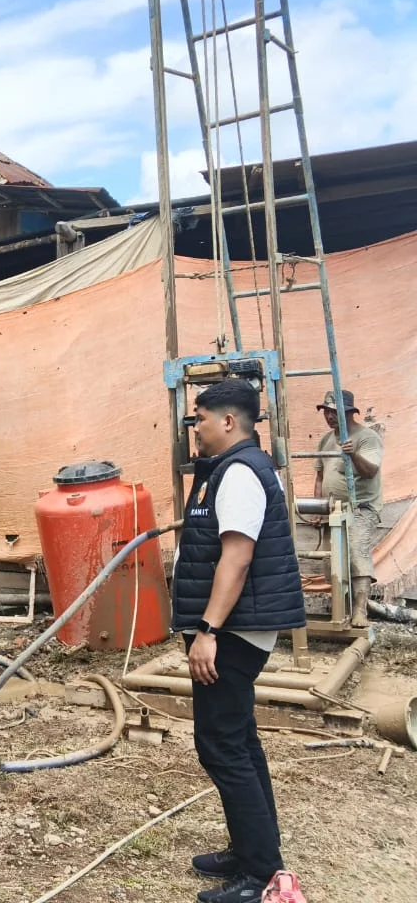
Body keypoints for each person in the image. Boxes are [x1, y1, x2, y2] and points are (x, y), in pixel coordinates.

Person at [175, 379, 306, 903]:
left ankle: (261, 876)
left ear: (228, 421)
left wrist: (207, 631)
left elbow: (237, 557)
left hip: (230, 632)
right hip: (232, 628)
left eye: (201, 418)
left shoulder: (241, 473)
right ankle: (251, 848)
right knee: (238, 741)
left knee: (222, 744)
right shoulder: (232, 470)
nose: (197, 428)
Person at [312, 389, 383, 627]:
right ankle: (342, 607)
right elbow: (320, 477)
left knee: (356, 553)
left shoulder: (366, 437)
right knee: (331, 559)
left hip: (360, 508)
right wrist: (317, 508)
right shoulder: (326, 439)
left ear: (350, 413)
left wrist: (353, 455)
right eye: (327, 412)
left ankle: (360, 610)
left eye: (335, 412)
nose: (330, 417)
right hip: (332, 508)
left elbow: (370, 471)